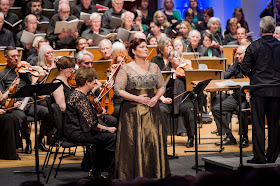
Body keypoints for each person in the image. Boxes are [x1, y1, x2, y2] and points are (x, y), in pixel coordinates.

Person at [114, 38, 170, 180]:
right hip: (132, 112)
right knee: (134, 144)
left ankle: (154, 175)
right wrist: (137, 98)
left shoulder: (154, 67)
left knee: (152, 142)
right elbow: (118, 90)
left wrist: (156, 98)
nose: (146, 49)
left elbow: (162, 86)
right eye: (142, 47)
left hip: (152, 110)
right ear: (134, 51)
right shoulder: (126, 68)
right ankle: (133, 176)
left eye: (146, 47)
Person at [64, 67, 117, 178]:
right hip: (77, 133)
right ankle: (112, 174)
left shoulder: (77, 94)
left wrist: (98, 116)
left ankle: (96, 171)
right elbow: (91, 125)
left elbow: (84, 116)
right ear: (87, 82)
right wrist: (107, 129)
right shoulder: (80, 98)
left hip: (77, 130)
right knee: (111, 137)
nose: (94, 83)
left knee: (105, 134)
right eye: (93, 81)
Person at [241, 16, 280, 164]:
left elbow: (244, 68)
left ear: (261, 29)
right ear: (274, 29)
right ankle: (272, 156)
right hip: (277, 90)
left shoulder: (254, 46)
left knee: (258, 123)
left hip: (258, 89)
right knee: (274, 123)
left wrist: (255, 77)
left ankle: (259, 157)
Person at [0, 46, 49, 154]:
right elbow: (2, 99)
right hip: (15, 106)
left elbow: (35, 83)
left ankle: (39, 140)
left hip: (28, 103)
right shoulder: (2, 75)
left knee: (47, 112)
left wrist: (39, 76)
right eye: (13, 56)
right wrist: (13, 99)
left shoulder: (24, 70)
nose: (16, 58)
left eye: (18, 55)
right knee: (21, 117)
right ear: (6, 57)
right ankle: (27, 141)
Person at [212, 45, 250, 147]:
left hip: (247, 97)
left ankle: (244, 137)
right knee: (216, 109)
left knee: (240, 110)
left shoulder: (252, 65)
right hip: (236, 97)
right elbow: (227, 74)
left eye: (240, 54)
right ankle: (229, 136)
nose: (237, 56)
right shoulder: (236, 64)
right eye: (236, 54)